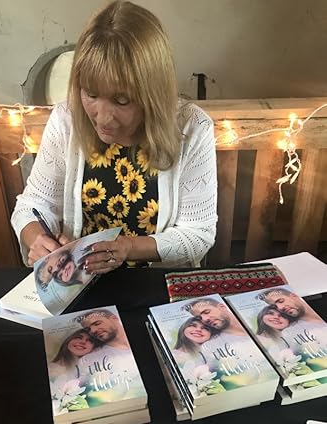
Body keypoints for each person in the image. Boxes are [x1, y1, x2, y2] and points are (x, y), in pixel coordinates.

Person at [11, 1, 217, 273]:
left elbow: (198, 236)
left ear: (152, 94)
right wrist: (37, 238)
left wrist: (128, 247)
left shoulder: (192, 128)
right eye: (91, 94)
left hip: (156, 280)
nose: (103, 117)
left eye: (121, 101)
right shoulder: (66, 120)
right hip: (82, 279)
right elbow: (32, 205)